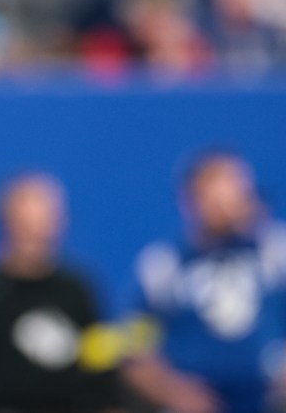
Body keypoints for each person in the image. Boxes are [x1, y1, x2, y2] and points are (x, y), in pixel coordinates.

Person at [121, 151, 286, 413]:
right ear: (190, 201)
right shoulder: (163, 266)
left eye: (237, 192)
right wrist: (170, 389)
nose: (227, 204)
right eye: (215, 194)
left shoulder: (275, 253)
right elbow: (133, 348)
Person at [0, 173, 125, 413]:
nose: (40, 236)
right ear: (7, 224)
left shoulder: (77, 292)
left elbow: (103, 375)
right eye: (28, 227)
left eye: (47, 224)